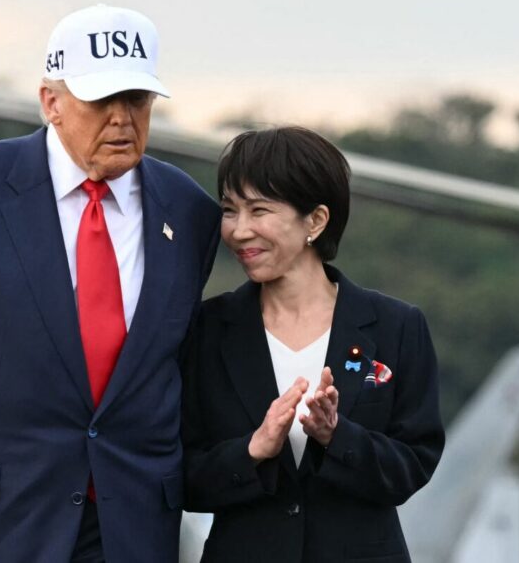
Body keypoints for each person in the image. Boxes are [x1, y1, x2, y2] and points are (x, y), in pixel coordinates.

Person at [0, 5, 221, 563]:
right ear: (50, 102)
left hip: (131, 534)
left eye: (137, 99)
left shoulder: (190, 211)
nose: (122, 119)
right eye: (101, 100)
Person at [181, 126, 444, 562]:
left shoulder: (396, 327)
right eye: (230, 210)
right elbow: (179, 474)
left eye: (259, 210)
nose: (239, 230)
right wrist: (251, 450)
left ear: (316, 220)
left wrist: (337, 436)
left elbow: (414, 464)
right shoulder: (207, 329)